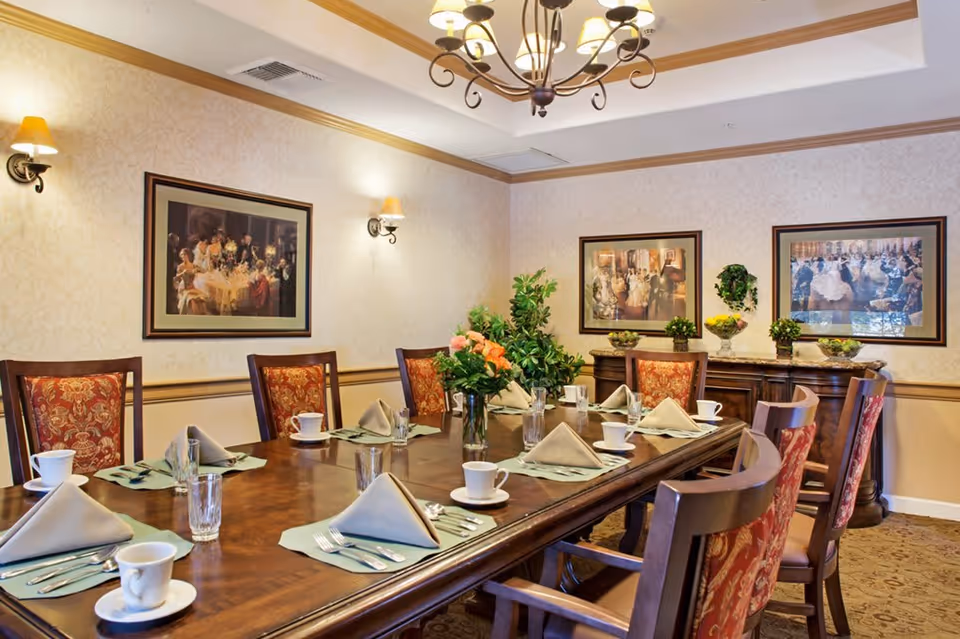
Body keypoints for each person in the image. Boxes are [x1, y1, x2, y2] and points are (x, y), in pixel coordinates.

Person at [173, 249, 208, 315]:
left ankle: (201, 317)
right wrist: (183, 273)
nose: (183, 256)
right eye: (182, 255)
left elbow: (205, 271)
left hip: (192, 286)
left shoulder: (193, 265)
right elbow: (175, 279)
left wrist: (198, 269)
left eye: (185, 254)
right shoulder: (180, 266)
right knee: (192, 300)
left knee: (201, 299)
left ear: (188, 255)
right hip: (183, 287)